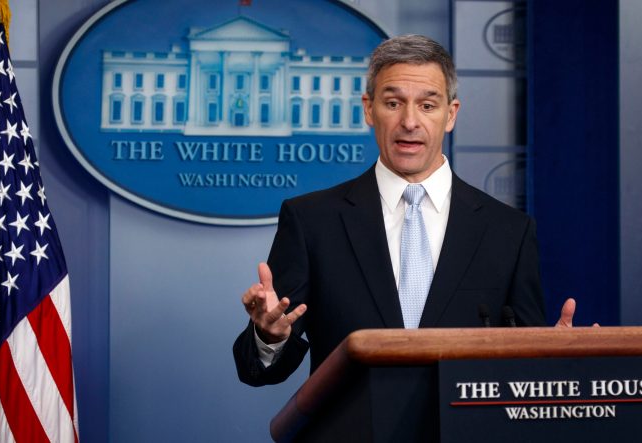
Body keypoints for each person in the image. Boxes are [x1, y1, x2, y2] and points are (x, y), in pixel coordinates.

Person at [234, 34, 578, 387]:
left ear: (451, 114)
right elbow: (256, 370)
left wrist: (555, 358)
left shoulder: (509, 231)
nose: (410, 122)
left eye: (428, 105)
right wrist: (269, 336)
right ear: (369, 109)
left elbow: (525, 371)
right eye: (393, 103)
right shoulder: (312, 221)